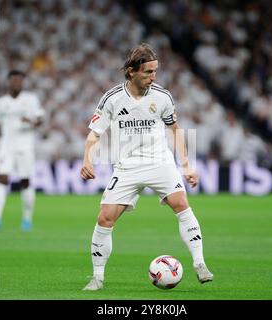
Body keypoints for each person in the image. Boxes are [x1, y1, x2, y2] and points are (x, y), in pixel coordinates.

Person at [80, 43, 213, 291]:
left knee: (181, 204)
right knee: (105, 218)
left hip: (159, 162)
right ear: (131, 71)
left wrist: (186, 165)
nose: (153, 77)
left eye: (155, 71)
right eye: (148, 72)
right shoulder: (112, 99)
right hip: (127, 167)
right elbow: (94, 134)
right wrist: (87, 160)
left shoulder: (162, 96)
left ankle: (200, 264)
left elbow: (175, 130)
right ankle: (97, 277)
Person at [0, 70, 44, 231]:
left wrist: (30, 120)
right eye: (14, 80)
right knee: (1, 179)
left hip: (25, 147)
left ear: (23, 82)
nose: (17, 83)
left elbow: (40, 120)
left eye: (19, 80)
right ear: (8, 82)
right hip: (6, 147)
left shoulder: (31, 99)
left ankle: (27, 219)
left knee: (25, 181)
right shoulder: (2, 102)